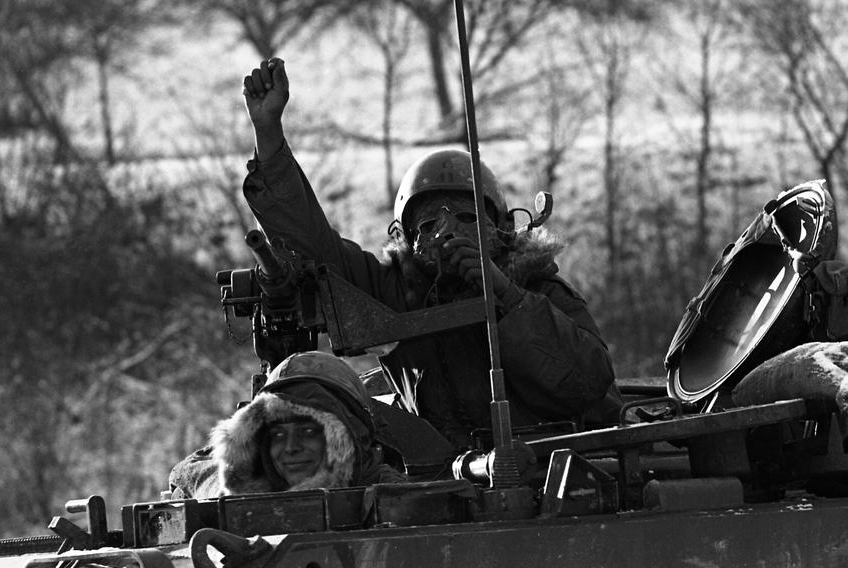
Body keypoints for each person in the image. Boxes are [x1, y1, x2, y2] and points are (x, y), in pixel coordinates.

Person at [240, 58, 621, 449]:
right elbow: (312, 245)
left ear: (502, 227)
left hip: (559, 465)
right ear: (405, 238)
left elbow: (588, 381)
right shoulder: (396, 290)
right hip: (447, 479)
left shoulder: (537, 285)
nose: (448, 232)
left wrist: (504, 294)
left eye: (467, 216)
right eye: (427, 225)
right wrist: (268, 134)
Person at [170, 351, 405, 498]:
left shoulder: (393, 498)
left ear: (347, 439)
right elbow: (192, 472)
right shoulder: (251, 493)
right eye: (278, 435)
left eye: (309, 431)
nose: (291, 447)